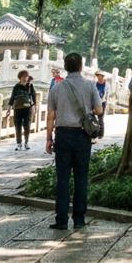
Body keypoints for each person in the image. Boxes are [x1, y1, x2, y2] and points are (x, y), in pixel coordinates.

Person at [45, 52, 102, 230]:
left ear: (65, 66)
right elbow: (99, 110)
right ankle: (79, 219)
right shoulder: (90, 85)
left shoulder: (56, 88)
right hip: (82, 136)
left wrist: (48, 138)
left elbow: (50, 116)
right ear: (80, 66)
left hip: (62, 134)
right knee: (81, 177)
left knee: (62, 178)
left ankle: (61, 220)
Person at [7, 69, 37, 150]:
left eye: (26, 76)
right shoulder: (16, 86)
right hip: (18, 109)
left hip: (28, 109)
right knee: (18, 126)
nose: (25, 78)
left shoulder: (30, 86)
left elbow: (34, 97)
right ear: (20, 77)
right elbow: (12, 97)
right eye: (23, 76)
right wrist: (9, 108)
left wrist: (34, 107)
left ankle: (26, 142)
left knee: (27, 126)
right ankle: (19, 143)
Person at [94, 72, 108, 138]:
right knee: (92, 117)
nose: (98, 78)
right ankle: (94, 132)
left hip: (102, 102)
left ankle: (101, 134)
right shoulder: (95, 84)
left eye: (99, 76)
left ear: (102, 76)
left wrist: (106, 102)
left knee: (100, 118)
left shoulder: (106, 85)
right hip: (95, 102)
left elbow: (107, 95)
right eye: (97, 76)